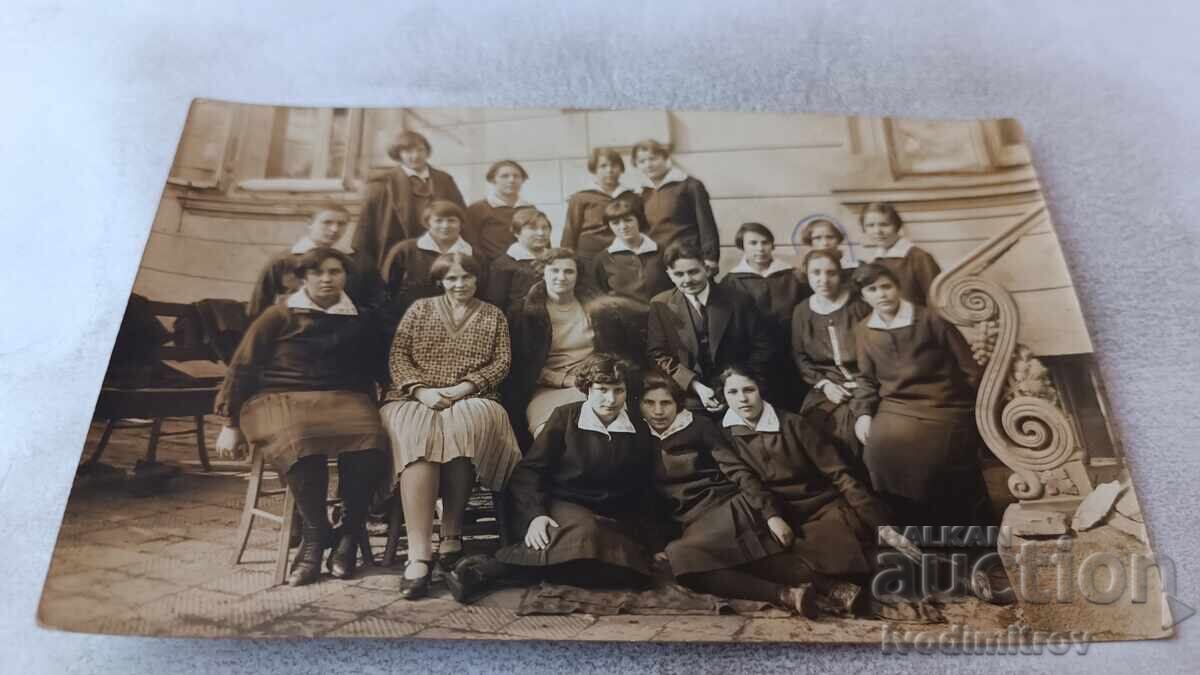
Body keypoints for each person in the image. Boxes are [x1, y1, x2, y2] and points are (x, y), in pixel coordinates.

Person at [214, 248, 390, 586]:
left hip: (341, 397)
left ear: (345, 276)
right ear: (303, 278)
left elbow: (376, 364)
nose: (326, 279)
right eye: (317, 272)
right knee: (301, 438)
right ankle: (314, 537)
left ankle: (349, 534)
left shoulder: (359, 318)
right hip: (277, 397)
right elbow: (242, 366)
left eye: (335, 272)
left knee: (372, 439)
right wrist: (230, 422)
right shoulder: (279, 315)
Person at [447, 354, 658, 602]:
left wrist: (654, 541)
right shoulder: (565, 417)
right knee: (585, 533)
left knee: (628, 568)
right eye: (602, 390)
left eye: (618, 390)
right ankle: (487, 571)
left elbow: (643, 486)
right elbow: (530, 471)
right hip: (563, 503)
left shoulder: (637, 428)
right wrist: (536, 515)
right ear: (587, 389)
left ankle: (492, 571)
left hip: (612, 513)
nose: (611, 399)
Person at [379, 252, 522, 600]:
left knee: (462, 429)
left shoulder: (493, 315)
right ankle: (419, 554)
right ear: (440, 281)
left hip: (473, 395)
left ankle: (452, 535)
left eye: (467, 277)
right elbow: (398, 356)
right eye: (452, 278)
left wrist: (462, 389)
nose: (460, 284)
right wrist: (422, 392)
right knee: (418, 438)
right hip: (413, 396)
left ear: (477, 278)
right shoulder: (420, 310)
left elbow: (501, 362)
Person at [641, 370, 836, 617]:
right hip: (691, 522)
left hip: (726, 506)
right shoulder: (640, 438)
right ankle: (798, 593)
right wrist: (655, 544)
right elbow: (645, 498)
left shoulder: (699, 426)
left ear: (678, 404)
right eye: (650, 403)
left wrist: (771, 514)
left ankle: (821, 589)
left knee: (685, 557)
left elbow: (738, 471)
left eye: (666, 403)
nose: (658, 411)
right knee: (689, 565)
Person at [717, 365, 891, 592]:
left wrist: (880, 524)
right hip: (780, 511)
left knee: (854, 552)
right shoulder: (724, 435)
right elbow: (747, 482)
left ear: (761, 390)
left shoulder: (793, 423)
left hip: (821, 505)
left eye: (749, 390)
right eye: (732, 392)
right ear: (724, 396)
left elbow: (839, 473)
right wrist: (772, 516)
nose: (742, 399)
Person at [849, 263, 991, 529]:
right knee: (877, 453)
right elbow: (866, 379)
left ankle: (960, 530)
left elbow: (969, 369)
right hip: (896, 406)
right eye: (872, 289)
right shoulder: (864, 330)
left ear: (898, 288)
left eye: (886, 287)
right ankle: (917, 530)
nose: (881, 294)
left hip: (944, 404)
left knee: (930, 458)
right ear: (863, 296)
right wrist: (863, 414)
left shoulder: (930, 320)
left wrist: (971, 410)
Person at [505, 248, 643, 444]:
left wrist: (592, 378)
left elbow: (612, 353)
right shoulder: (523, 313)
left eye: (569, 271)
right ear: (543, 272)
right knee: (550, 438)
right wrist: (564, 380)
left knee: (609, 436)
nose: (561, 277)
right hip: (547, 389)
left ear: (578, 275)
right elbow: (522, 365)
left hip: (595, 384)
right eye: (554, 270)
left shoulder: (597, 309)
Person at [647, 241, 772, 415]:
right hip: (688, 395)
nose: (687, 280)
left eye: (693, 272)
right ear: (669, 274)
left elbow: (762, 346)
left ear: (706, 269)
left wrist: (735, 385)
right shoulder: (660, 304)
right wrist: (695, 386)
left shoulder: (738, 300)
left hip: (739, 393)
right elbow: (659, 355)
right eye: (679, 274)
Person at [791, 249, 873, 468]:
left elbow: (875, 355)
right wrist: (825, 385)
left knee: (861, 432)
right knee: (815, 431)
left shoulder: (859, 306)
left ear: (840, 274)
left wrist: (863, 397)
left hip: (868, 384)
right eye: (816, 273)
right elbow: (800, 357)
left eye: (831, 273)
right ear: (807, 275)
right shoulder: (802, 311)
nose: (823, 280)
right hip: (826, 387)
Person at [719, 222, 809, 410]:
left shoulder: (793, 277)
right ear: (742, 246)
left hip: (791, 355)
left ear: (772, 245)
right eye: (753, 243)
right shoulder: (732, 282)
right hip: (752, 359)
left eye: (765, 242)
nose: (760, 248)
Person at [247, 204, 385, 320]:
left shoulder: (360, 260)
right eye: (327, 222)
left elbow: (378, 301)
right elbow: (259, 304)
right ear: (309, 223)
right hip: (295, 333)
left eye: (341, 224)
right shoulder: (283, 261)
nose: (334, 229)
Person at [354, 130, 466, 270]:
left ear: (427, 152)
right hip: (397, 251)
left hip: (439, 249)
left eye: (420, 150)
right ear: (398, 154)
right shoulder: (383, 183)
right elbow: (367, 223)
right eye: (408, 151)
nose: (415, 156)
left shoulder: (444, 180)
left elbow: (460, 214)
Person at [381, 200, 478, 325]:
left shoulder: (473, 254)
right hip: (410, 323)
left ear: (461, 224)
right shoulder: (404, 251)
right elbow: (386, 291)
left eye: (451, 220)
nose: (445, 226)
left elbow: (482, 292)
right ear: (427, 223)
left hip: (461, 324)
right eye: (439, 220)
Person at [632, 139, 720, 275]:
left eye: (653, 159)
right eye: (642, 161)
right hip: (656, 260)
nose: (648, 165)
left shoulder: (689, 185)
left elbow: (706, 223)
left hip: (688, 257)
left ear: (665, 158)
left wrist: (710, 257)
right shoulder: (642, 192)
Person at [561, 147, 643, 262]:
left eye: (614, 166)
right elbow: (570, 232)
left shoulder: (632, 197)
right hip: (589, 257)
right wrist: (565, 259)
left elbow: (642, 229)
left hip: (624, 256)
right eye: (603, 166)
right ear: (594, 170)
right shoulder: (581, 197)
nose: (609, 170)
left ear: (621, 168)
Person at [588, 198, 673, 304]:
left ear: (639, 220)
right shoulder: (602, 259)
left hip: (663, 311)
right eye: (615, 223)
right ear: (609, 226)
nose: (623, 227)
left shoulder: (663, 251)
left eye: (628, 220)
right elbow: (600, 296)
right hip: (625, 314)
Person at [857, 202, 940, 305]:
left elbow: (936, 299)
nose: (878, 231)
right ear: (864, 229)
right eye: (870, 225)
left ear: (897, 226)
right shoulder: (874, 261)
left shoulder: (919, 257)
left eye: (884, 224)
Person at [481, 206, 551, 315]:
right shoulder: (503, 264)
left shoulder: (556, 260)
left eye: (545, 228)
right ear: (517, 233)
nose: (541, 233)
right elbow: (496, 304)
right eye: (533, 228)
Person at [463, 160, 534, 262]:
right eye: (505, 176)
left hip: (526, 265)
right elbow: (470, 243)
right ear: (493, 180)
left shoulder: (529, 209)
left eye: (516, 176)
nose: (512, 180)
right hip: (490, 267)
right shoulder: (478, 209)